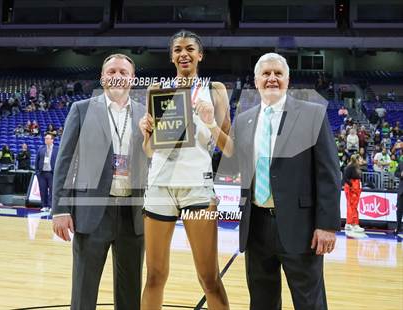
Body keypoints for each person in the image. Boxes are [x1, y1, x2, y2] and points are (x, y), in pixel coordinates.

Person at [224, 53, 341, 310]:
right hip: (256, 226)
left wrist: (327, 225)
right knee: (262, 301)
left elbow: (329, 173)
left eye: (278, 73)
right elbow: (233, 165)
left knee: (309, 302)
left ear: (288, 79)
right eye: (266, 74)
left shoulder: (312, 114)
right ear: (256, 81)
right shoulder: (244, 119)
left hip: (302, 228)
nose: (272, 79)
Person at [139, 30, 230, 309]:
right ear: (172, 56)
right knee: (154, 275)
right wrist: (146, 135)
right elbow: (150, 151)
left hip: (197, 188)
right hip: (159, 186)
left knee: (209, 277)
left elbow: (229, 149)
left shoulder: (215, 90)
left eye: (190, 48)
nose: (183, 54)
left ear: (200, 55)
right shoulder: (157, 90)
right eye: (177, 49)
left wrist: (212, 122)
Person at [52, 53, 147, 310]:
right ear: (103, 77)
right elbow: (64, 161)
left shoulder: (145, 114)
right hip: (92, 211)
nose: (117, 76)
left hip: (134, 213)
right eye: (112, 71)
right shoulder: (81, 109)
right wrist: (60, 209)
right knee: (84, 289)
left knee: (131, 292)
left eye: (123, 72)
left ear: (132, 79)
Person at [35, 133, 58, 212]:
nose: (46, 140)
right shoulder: (41, 148)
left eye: (47, 138)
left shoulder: (57, 149)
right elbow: (37, 160)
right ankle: (44, 206)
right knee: (43, 190)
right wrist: (37, 172)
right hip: (42, 173)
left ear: (52, 140)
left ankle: (51, 206)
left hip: (51, 173)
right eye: (45, 138)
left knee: (52, 190)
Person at [343, 154, 364, 232]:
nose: (362, 160)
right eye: (361, 159)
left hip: (356, 188)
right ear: (357, 160)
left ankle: (354, 224)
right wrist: (351, 186)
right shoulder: (350, 167)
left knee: (354, 206)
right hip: (351, 188)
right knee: (351, 206)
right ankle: (350, 224)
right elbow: (345, 178)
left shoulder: (357, 167)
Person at [394, 161, 403, 234]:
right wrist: (401, 174)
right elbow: (395, 173)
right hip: (401, 191)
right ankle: (398, 227)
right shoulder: (401, 163)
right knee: (399, 210)